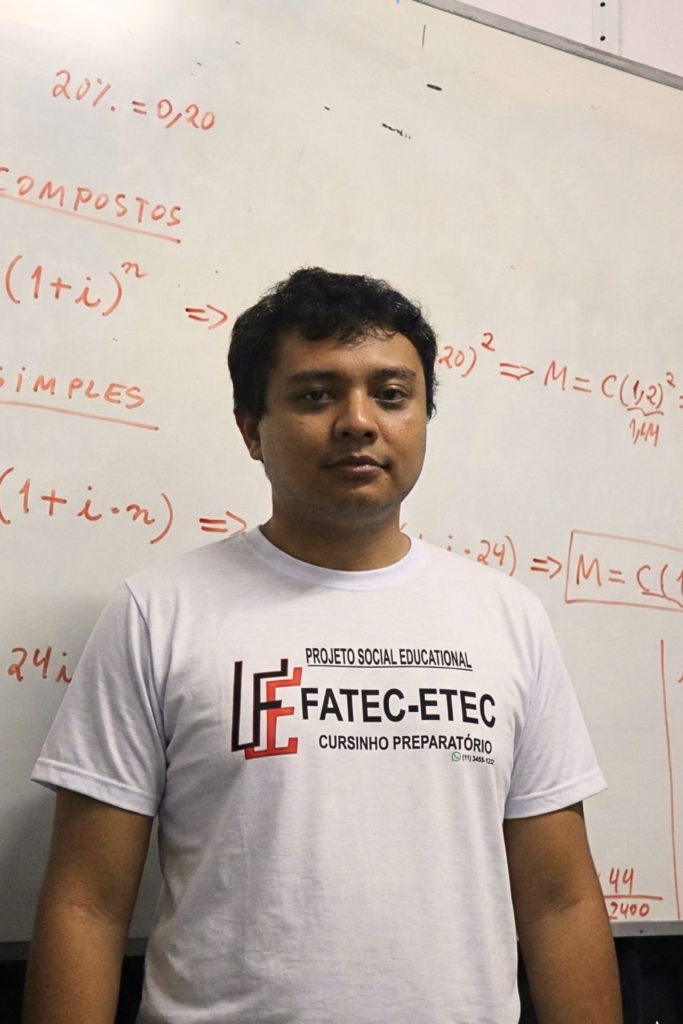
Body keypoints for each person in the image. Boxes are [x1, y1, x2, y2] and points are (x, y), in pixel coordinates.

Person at [24, 268, 622, 1024]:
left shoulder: (506, 617)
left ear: (423, 417)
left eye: (392, 395)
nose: (358, 422)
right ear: (251, 428)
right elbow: (87, 903)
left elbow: (560, 902)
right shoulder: (159, 613)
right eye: (315, 395)